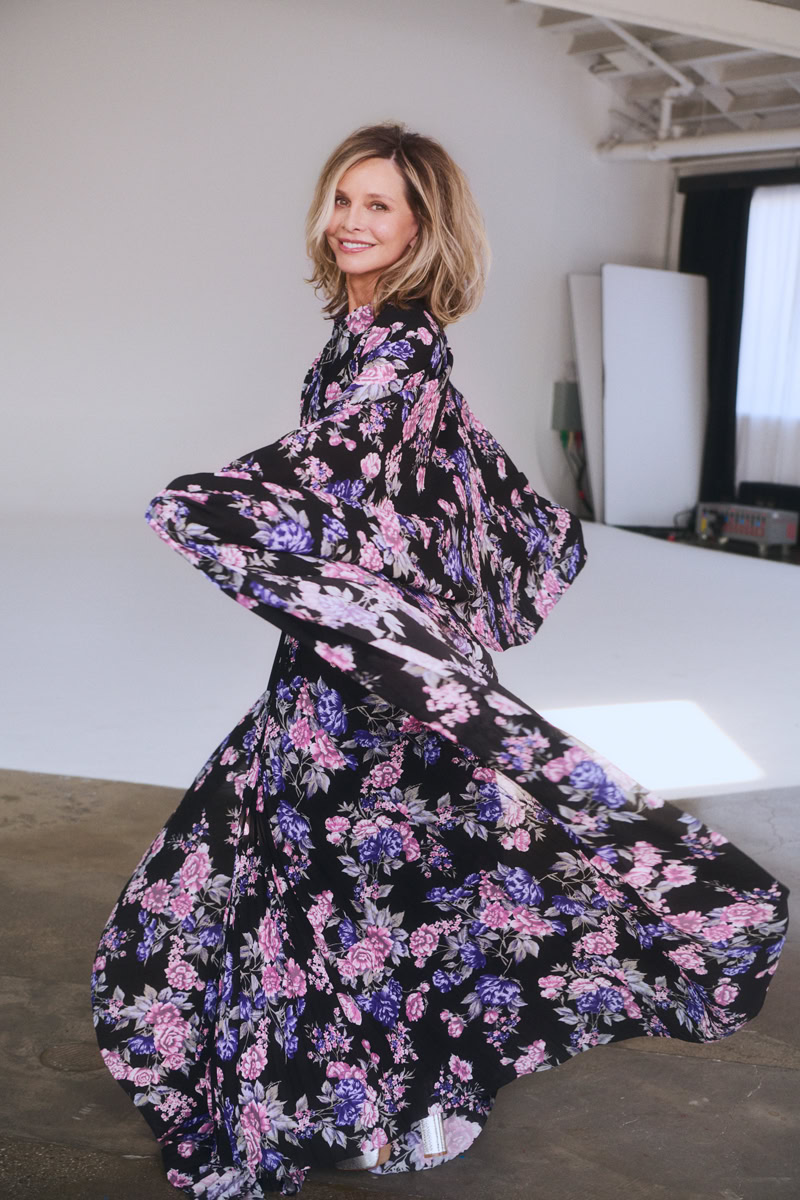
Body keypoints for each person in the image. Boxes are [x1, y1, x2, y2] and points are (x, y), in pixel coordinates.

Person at [91, 121, 790, 1198]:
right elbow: (415, 472)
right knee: (342, 878)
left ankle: (367, 1102)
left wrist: (225, 501)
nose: (352, 222)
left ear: (423, 227)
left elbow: (347, 454)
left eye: (379, 205)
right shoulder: (360, 334)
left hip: (365, 672)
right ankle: (374, 1096)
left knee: (332, 883)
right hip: (347, 653)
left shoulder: (395, 346)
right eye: (342, 199)